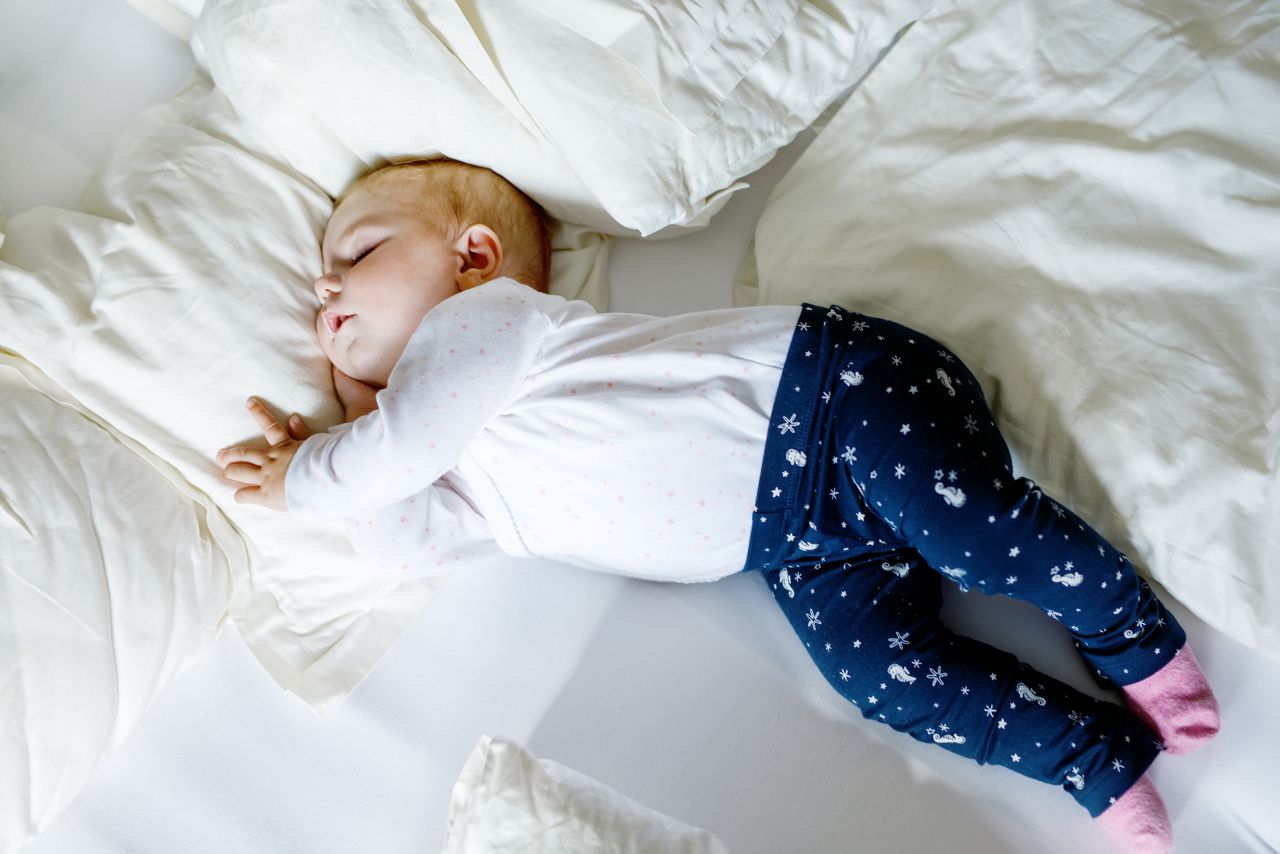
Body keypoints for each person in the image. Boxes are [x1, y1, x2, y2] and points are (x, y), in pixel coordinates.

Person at [217, 157, 1219, 853]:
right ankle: (1090, 756)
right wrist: (354, 416)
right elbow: (396, 541)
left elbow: (403, 445)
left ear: (472, 255)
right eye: (319, 283)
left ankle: (1134, 639)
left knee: (978, 540)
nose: (321, 284)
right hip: (793, 541)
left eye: (356, 253)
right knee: (882, 680)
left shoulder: (488, 327)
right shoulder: (442, 464)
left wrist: (310, 468)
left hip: (835, 399)